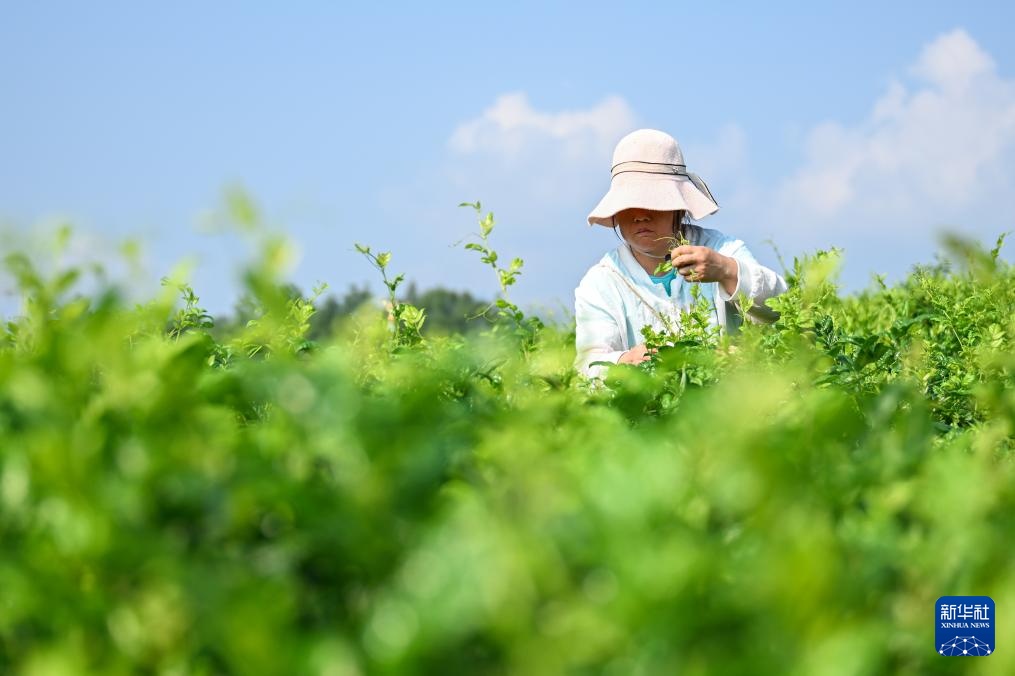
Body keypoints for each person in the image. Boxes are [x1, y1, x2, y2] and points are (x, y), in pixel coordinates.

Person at [574, 128, 787, 379]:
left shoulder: (722, 251)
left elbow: (780, 309)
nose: (641, 214)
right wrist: (626, 361)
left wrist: (725, 270)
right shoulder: (602, 282)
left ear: (678, 207)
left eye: (653, 202)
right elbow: (589, 365)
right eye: (629, 204)